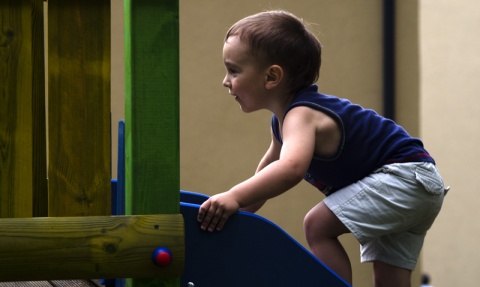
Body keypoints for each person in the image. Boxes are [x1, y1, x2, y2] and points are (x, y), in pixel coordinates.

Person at [197, 10, 446, 287]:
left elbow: (290, 168)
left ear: (271, 77)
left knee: (316, 226)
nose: (225, 80)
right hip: (420, 183)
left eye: (234, 70)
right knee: (389, 279)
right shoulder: (283, 122)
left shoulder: (301, 114)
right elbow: (267, 171)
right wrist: (239, 211)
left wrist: (233, 195)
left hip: (403, 178)